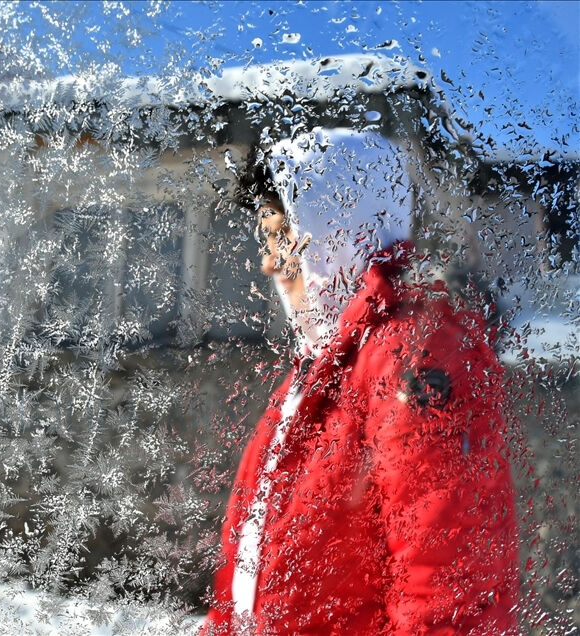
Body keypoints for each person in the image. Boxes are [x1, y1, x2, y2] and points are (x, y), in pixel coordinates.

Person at [203, 129, 519, 634]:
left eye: (283, 236)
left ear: (337, 232)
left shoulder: (410, 355)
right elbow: (245, 568)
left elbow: (446, 588)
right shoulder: (316, 373)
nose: (268, 263)